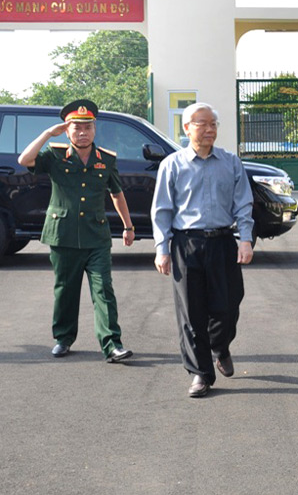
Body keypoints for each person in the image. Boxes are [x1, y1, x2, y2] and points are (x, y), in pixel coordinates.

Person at [17, 99, 134, 362]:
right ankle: (63, 338)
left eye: (88, 127)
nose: (82, 132)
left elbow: (117, 194)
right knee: (66, 289)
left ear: (95, 129)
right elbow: (25, 159)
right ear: (67, 130)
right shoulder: (55, 155)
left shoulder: (106, 160)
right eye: (76, 127)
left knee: (104, 289)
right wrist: (48, 134)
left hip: (96, 236)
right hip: (63, 234)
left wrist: (128, 226)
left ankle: (112, 344)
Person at [151, 102, 254, 398]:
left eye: (213, 124)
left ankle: (220, 346)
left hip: (223, 242)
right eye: (202, 124)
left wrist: (245, 238)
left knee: (228, 306)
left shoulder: (231, 162)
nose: (209, 129)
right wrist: (162, 248)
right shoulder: (172, 164)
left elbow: (243, 203)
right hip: (187, 244)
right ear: (186, 128)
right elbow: (162, 210)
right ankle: (200, 373)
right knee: (191, 313)